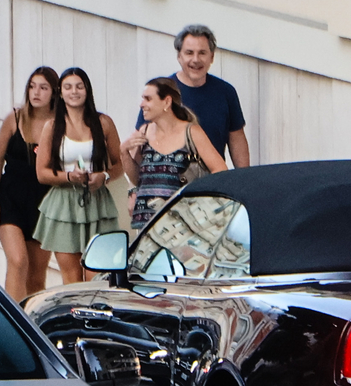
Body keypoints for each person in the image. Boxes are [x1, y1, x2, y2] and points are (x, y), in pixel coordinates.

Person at [33, 66, 130, 283]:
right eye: (68, 87)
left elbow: (119, 163)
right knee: (72, 277)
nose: (74, 92)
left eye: (79, 86)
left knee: (98, 273)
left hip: (97, 201)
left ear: (87, 90)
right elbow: (42, 173)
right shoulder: (52, 126)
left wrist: (103, 176)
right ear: (60, 92)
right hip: (64, 204)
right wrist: (69, 177)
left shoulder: (103, 122)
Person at [125, 24, 249, 173]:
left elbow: (237, 140)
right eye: (189, 53)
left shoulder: (226, 92)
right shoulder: (162, 91)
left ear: (212, 57)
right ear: (179, 56)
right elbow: (140, 142)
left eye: (202, 53)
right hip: (168, 182)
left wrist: (243, 179)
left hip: (211, 182)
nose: (195, 60)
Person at [124, 75, 228, 237]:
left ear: (166, 102)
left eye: (148, 99)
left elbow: (220, 170)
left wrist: (198, 205)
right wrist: (123, 152)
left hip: (182, 224)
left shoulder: (191, 132)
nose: (141, 104)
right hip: (148, 221)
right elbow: (139, 178)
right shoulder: (144, 131)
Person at [0, 66, 56, 300]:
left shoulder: (59, 124)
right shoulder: (15, 118)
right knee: (17, 260)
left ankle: (32, 324)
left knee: (36, 274)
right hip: (10, 197)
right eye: (32, 86)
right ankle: (11, 321)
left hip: (44, 202)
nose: (36, 93)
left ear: (54, 92)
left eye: (43, 88)